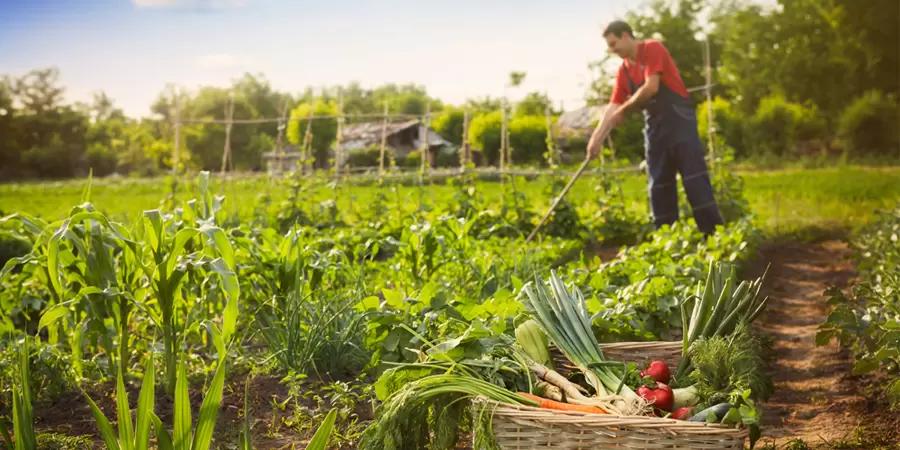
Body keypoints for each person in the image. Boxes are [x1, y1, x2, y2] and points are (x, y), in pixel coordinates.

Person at [586, 20, 723, 234]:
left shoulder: (652, 48)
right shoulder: (624, 70)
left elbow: (651, 87)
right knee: (659, 184)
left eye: (614, 44)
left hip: (678, 120)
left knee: (694, 180)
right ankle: (667, 241)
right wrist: (596, 139)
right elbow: (613, 106)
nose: (612, 50)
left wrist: (625, 110)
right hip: (655, 127)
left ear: (625, 36)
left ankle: (715, 238)